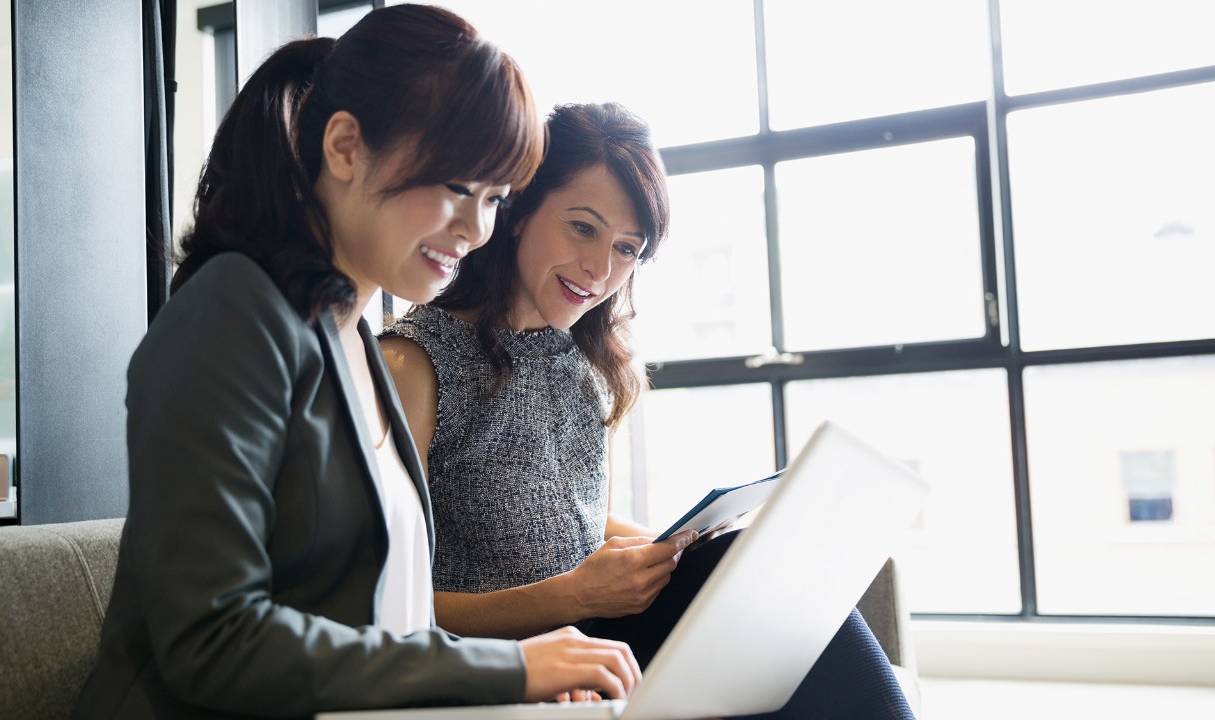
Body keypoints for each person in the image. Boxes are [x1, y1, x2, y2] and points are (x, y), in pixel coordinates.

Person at [72, 8, 642, 719]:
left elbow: (385, 629)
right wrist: (505, 669)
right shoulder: (234, 310)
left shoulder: (356, 343)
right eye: (458, 188)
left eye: (495, 199)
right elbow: (211, 640)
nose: (475, 229)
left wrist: (532, 676)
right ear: (345, 147)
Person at [380, 101, 916, 719]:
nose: (600, 269)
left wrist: (687, 544)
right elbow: (392, 607)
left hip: (592, 634)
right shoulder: (415, 366)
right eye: (583, 228)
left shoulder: (583, 367)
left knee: (759, 592)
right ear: (519, 210)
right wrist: (568, 599)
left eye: (627, 249)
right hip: (501, 656)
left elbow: (583, 524)